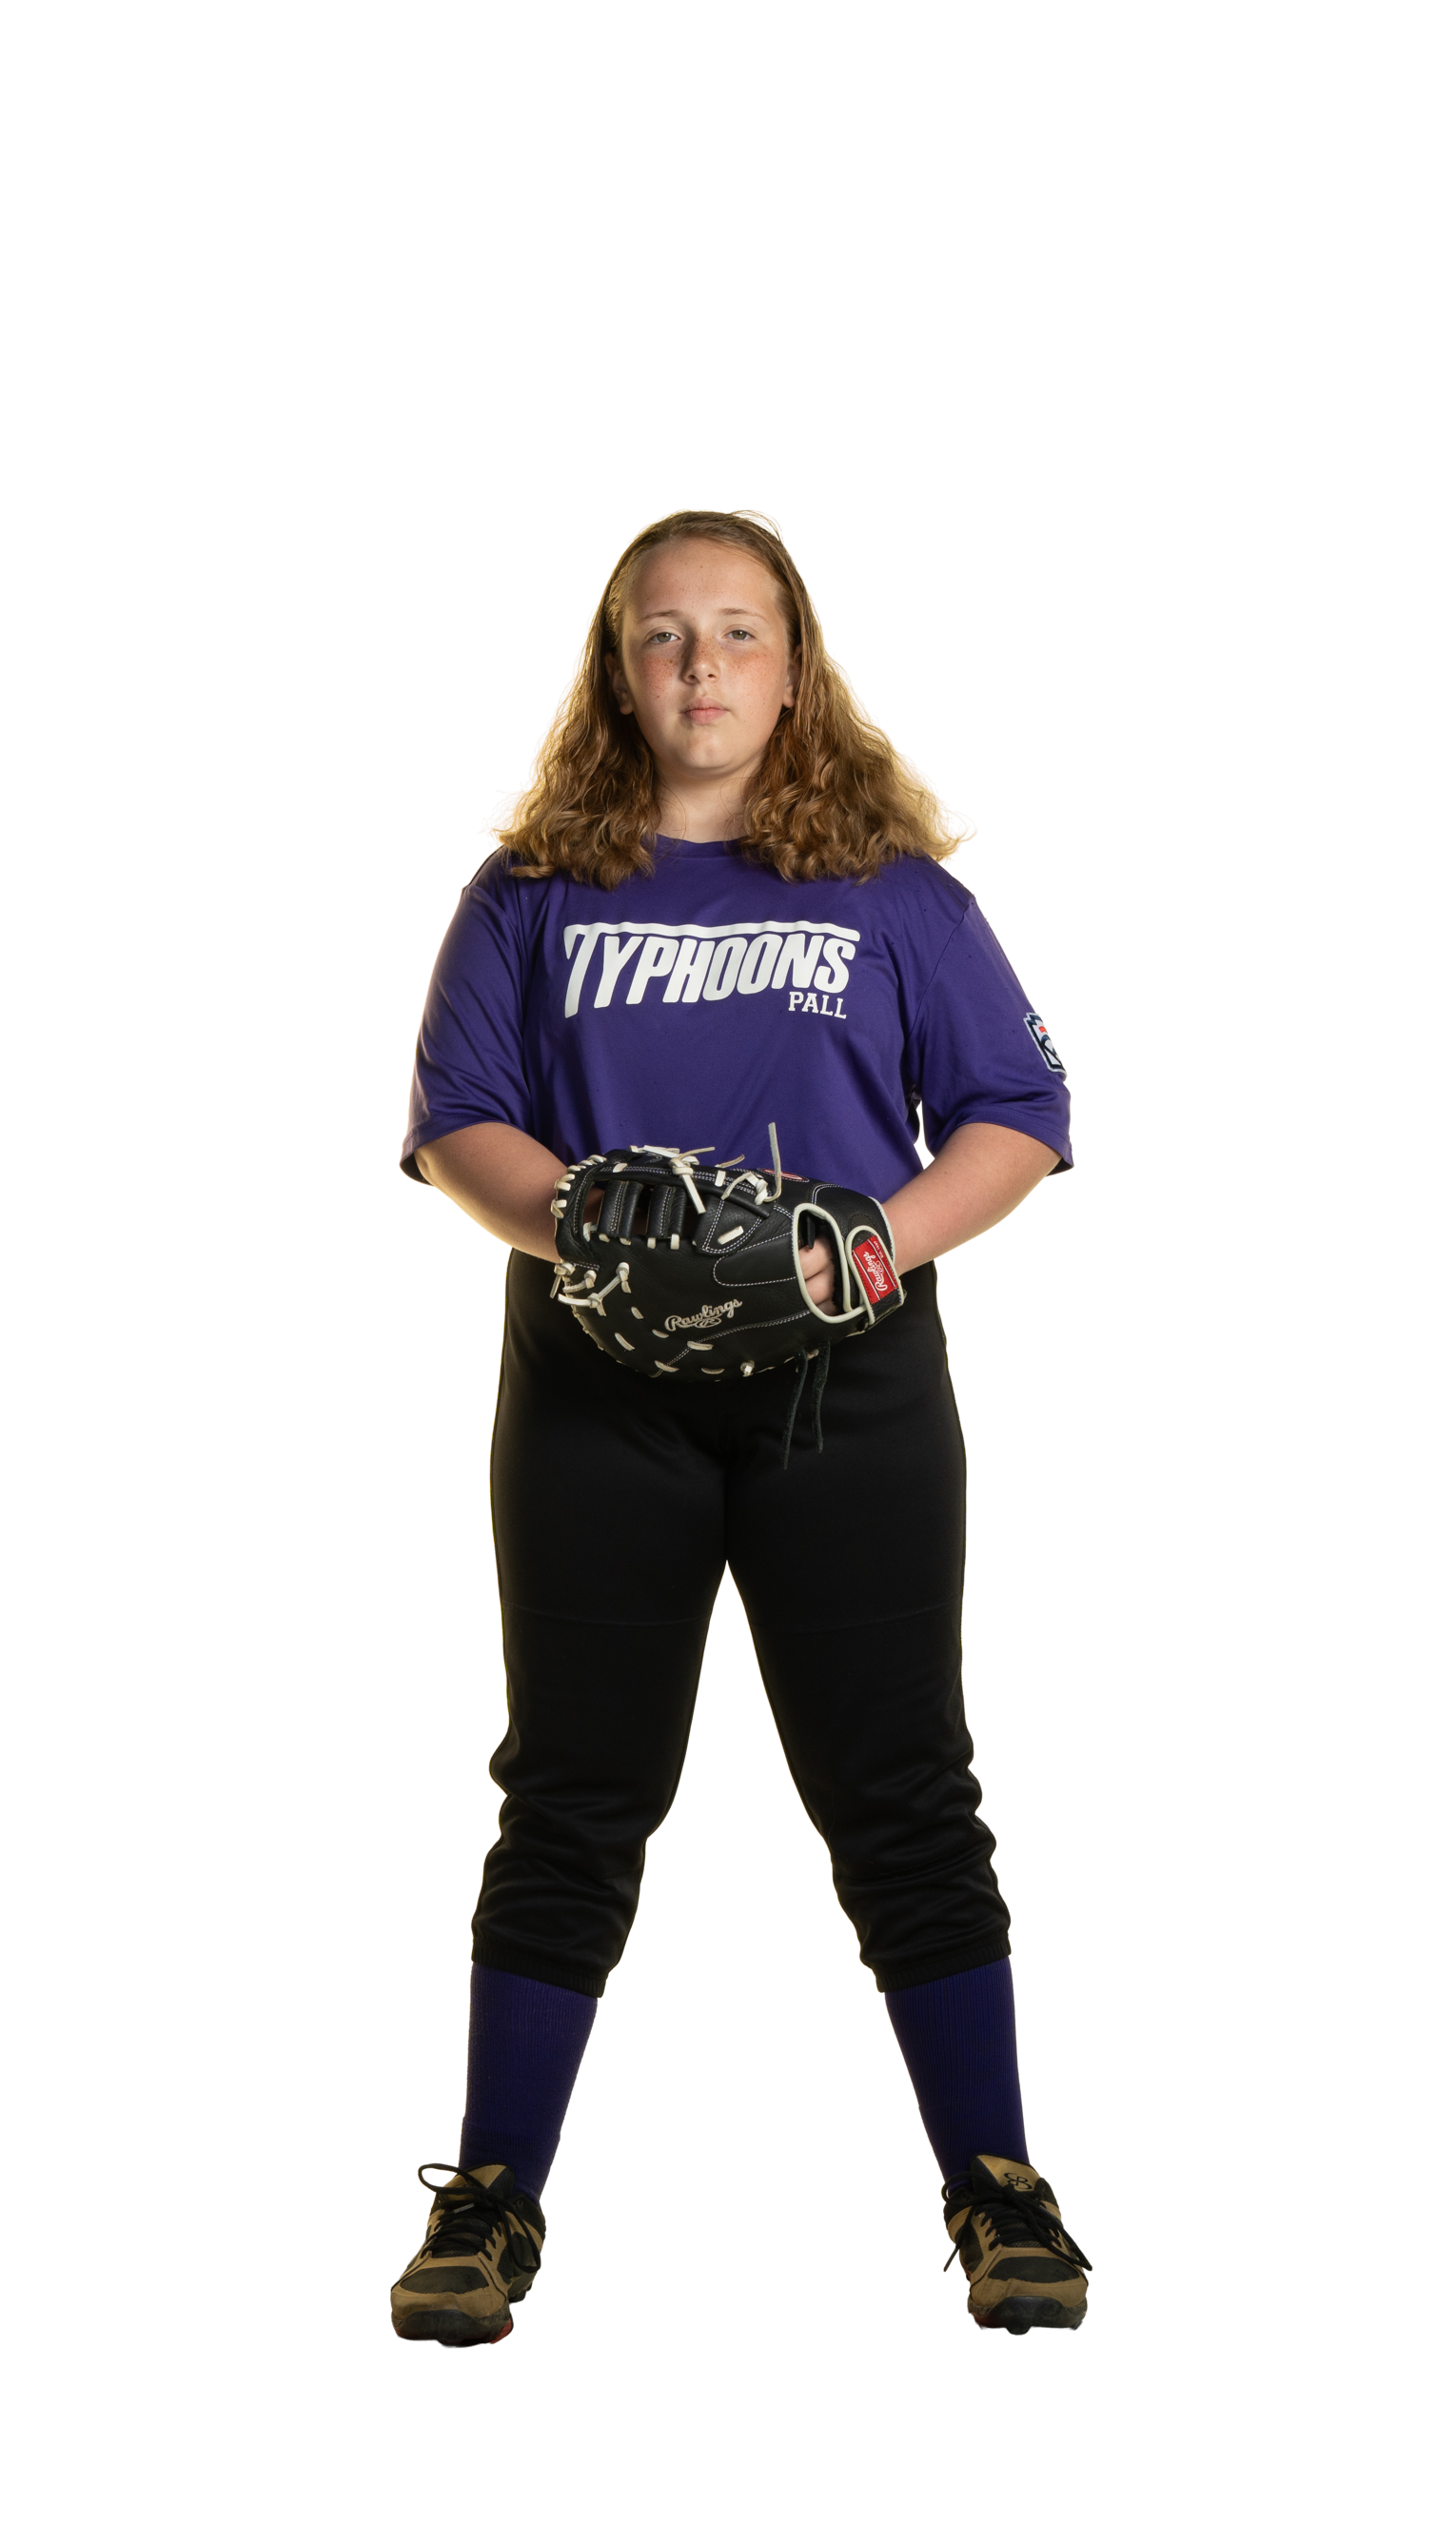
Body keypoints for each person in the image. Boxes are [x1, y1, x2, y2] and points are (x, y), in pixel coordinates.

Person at [389, 507, 1093, 2348]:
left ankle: (997, 2180)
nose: (700, 664)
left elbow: (1020, 1113)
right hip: (595, 1391)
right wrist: (579, 1221)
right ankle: (492, 2194)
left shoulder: (897, 892)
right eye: (661, 633)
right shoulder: (528, 890)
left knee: (907, 1787)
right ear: (614, 672)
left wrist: (872, 1248)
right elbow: (454, 1120)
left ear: (797, 670)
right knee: (570, 1791)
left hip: (847, 1389)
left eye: (738, 632)